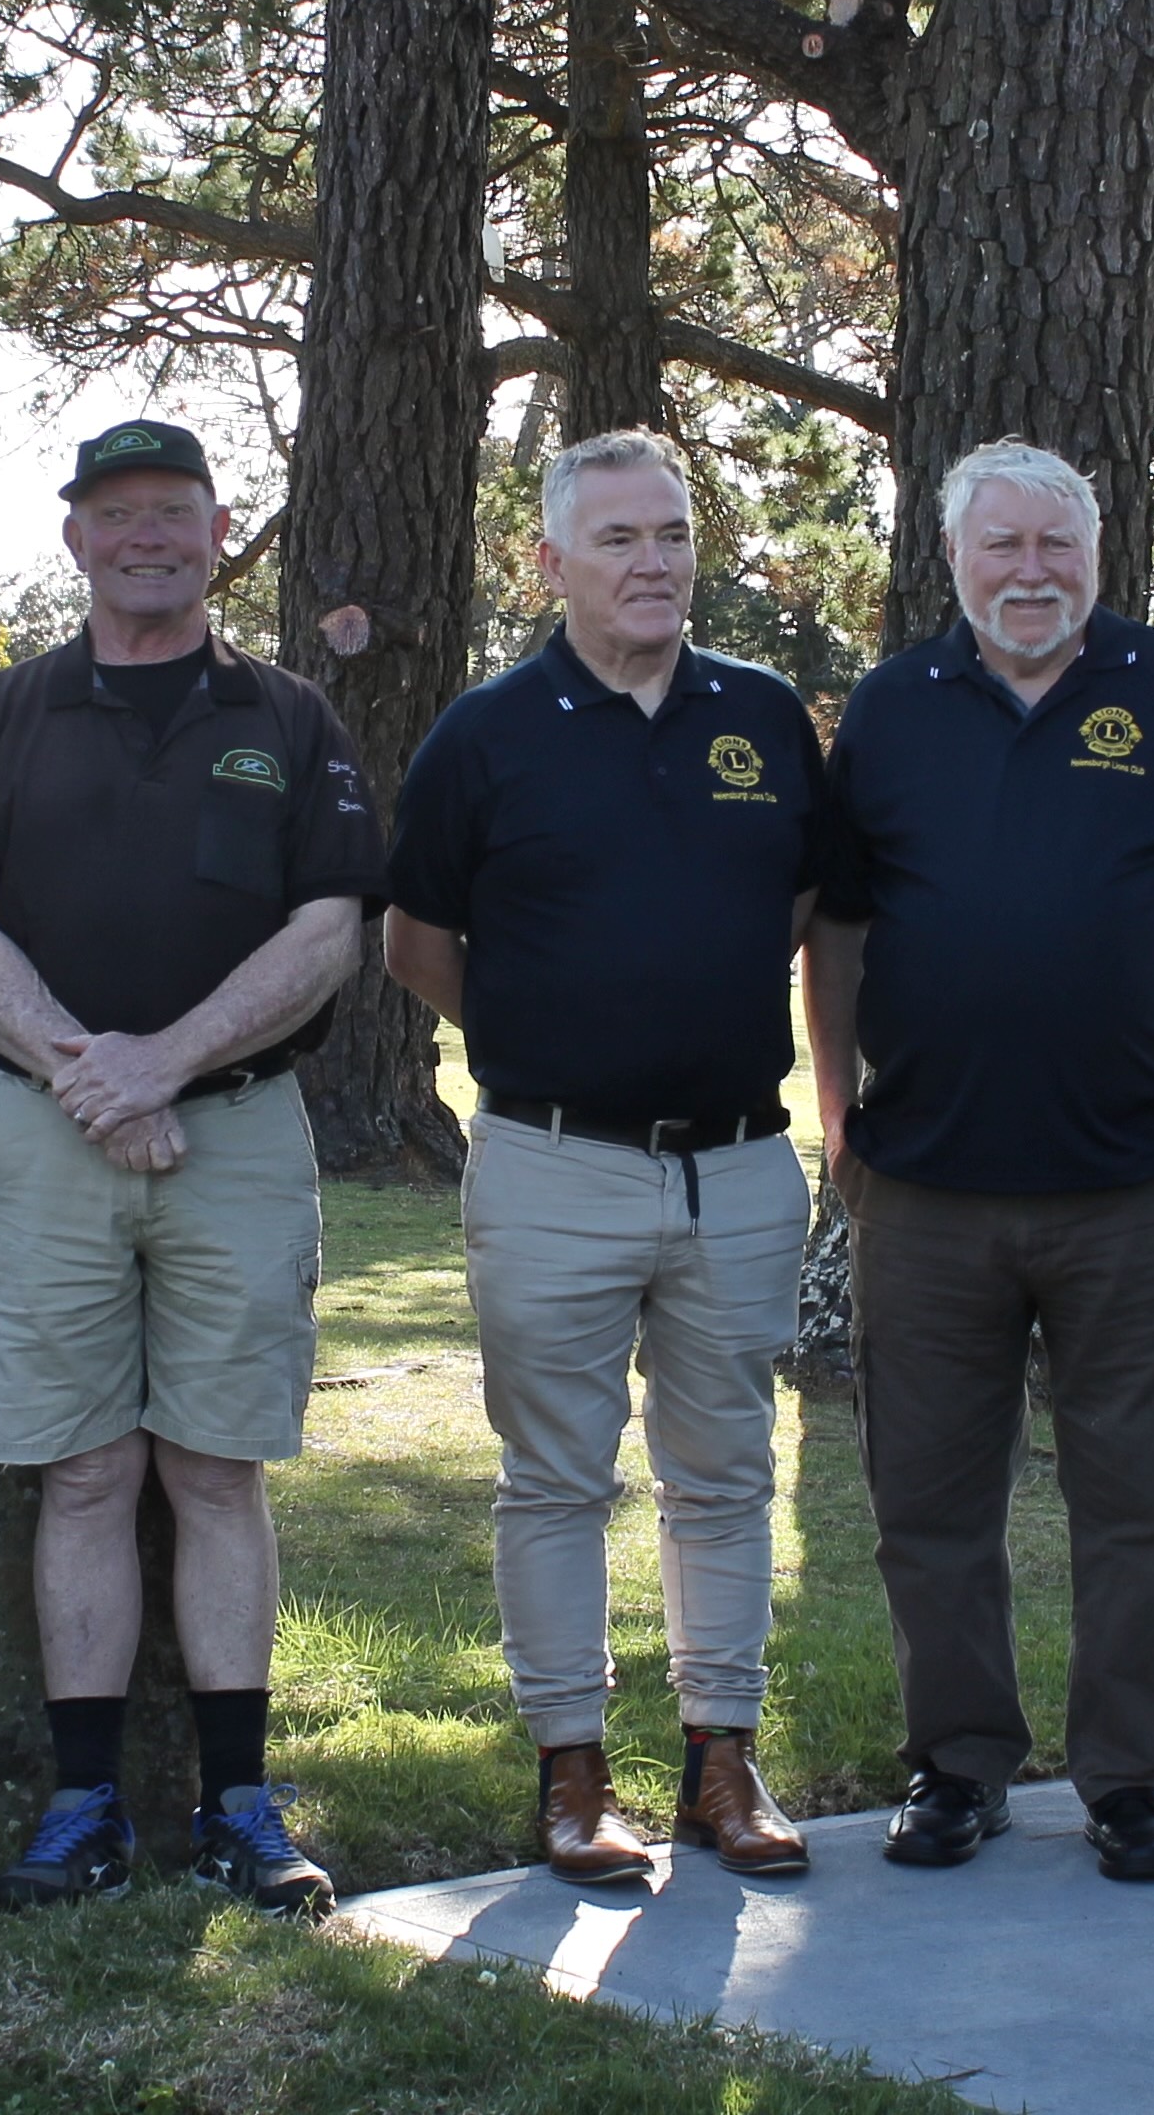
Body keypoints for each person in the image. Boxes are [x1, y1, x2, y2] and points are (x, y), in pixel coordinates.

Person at [804, 440, 1154, 1885]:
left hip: (1143, 1187)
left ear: (1098, 555)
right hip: (930, 1189)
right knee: (929, 1503)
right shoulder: (896, 708)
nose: (1031, 573)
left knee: (1151, 1504)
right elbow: (836, 932)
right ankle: (956, 1769)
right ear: (952, 560)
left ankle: (1135, 1780)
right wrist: (838, 1110)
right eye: (1001, 547)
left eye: (1057, 548)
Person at [0, 417, 383, 1920]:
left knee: (215, 1465)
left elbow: (331, 929)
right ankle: (81, 1810)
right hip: (47, 1132)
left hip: (233, 1133)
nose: (147, 538)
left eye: (174, 512)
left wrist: (162, 1061)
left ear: (216, 529)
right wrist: (87, 1072)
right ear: (75, 540)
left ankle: (241, 1804)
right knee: (85, 1468)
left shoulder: (291, 715)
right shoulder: (2, 712)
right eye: (116, 515)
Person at [382, 429, 827, 1886]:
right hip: (553, 1165)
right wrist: (551, 1042)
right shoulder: (487, 734)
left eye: (676, 534)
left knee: (725, 1477)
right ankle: (573, 1770)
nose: (655, 562)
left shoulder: (764, 718)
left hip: (743, 1169)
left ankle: (723, 1763)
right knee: (556, 1479)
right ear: (552, 560)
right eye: (622, 538)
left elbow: (811, 909)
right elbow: (417, 941)